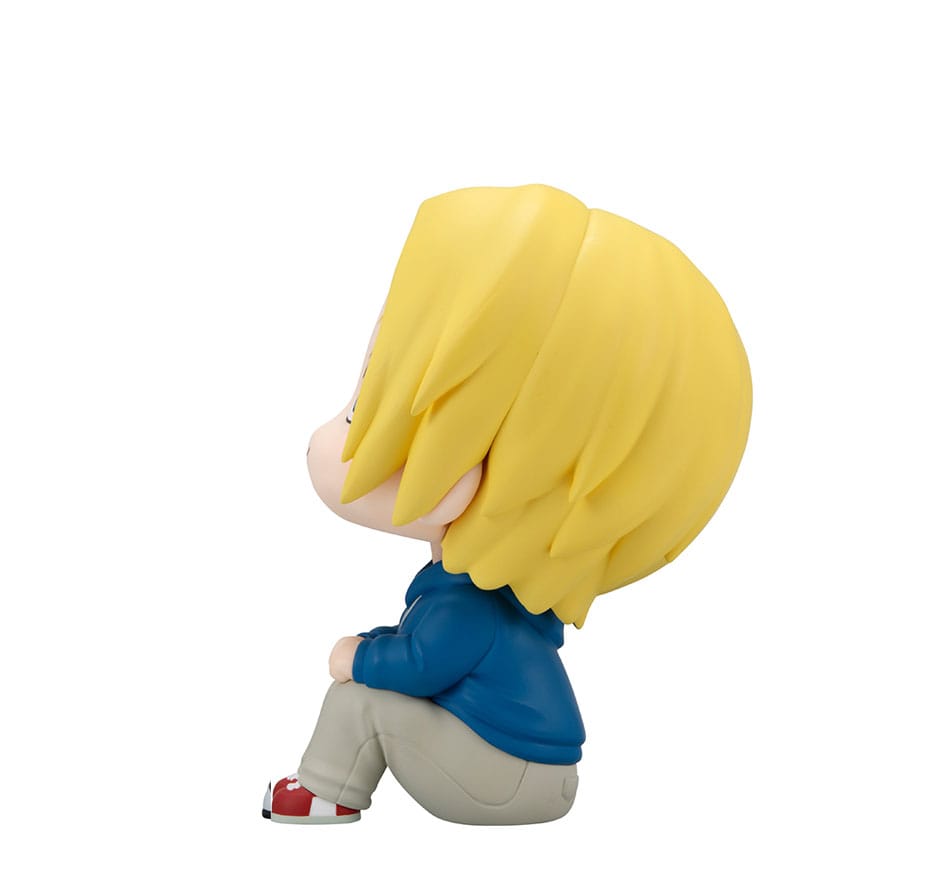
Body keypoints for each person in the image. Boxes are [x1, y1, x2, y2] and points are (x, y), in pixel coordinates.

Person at [262, 184, 752, 825]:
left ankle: (323, 792)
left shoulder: (470, 605)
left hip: (503, 777)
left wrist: (355, 656)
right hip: (522, 770)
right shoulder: (485, 595)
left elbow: (421, 665)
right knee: (367, 688)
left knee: (358, 701)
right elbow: (425, 649)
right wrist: (379, 642)